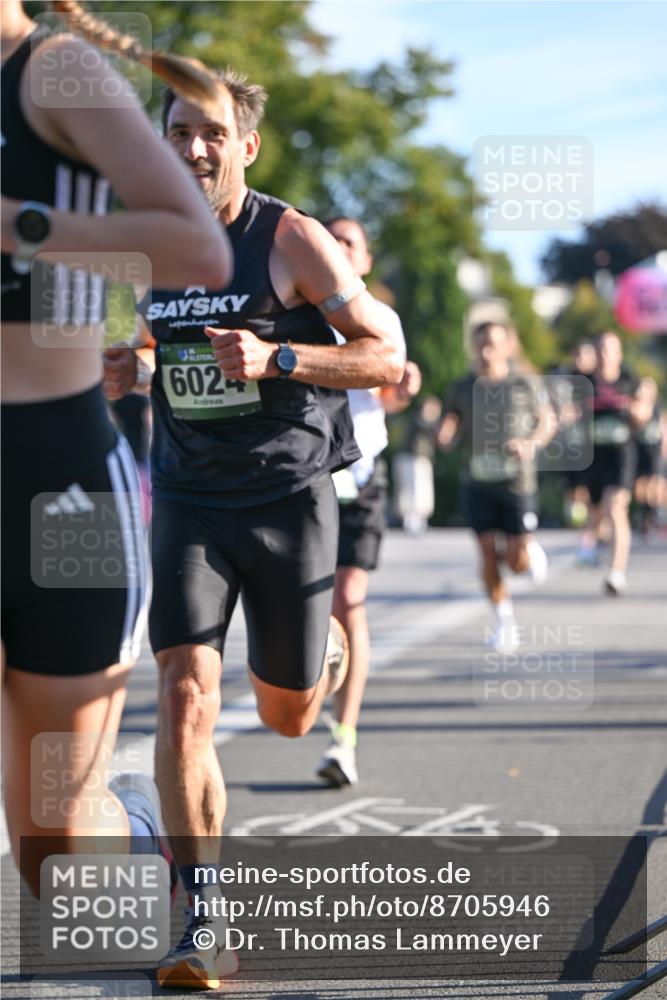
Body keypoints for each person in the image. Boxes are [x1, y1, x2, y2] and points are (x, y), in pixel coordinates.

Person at [102, 69, 403, 989]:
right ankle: (201, 917)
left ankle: (320, 667)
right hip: (190, 500)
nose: (193, 147)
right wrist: (133, 365)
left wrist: (280, 355)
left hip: (289, 499)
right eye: (178, 131)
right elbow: (170, 347)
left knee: (285, 716)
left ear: (245, 146)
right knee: (186, 695)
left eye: (211, 133)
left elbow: (383, 354)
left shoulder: (290, 238)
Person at [1, 0, 232, 900]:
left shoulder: (52, 70)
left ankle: (149, 834)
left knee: (57, 863)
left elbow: (196, 250)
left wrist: (21, 225)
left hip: (58, 485)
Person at [314, 216, 421, 787]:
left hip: (360, 480)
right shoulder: (300, 315)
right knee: (312, 609)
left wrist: (401, 392)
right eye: (329, 240)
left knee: (349, 597)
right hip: (306, 484)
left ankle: (344, 737)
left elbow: (386, 397)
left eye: (349, 242)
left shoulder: (380, 319)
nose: (337, 248)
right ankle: (308, 700)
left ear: (366, 260)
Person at [437, 321, 554, 653]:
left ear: (507, 346)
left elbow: (546, 421)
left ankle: (527, 553)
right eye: (480, 344)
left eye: (493, 343)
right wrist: (445, 432)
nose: (486, 350)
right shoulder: (462, 386)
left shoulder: (524, 383)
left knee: (515, 562)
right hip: (477, 481)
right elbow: (451, 418)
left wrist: (531, 442)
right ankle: (505, 623)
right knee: (487, 552)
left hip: (516, 483)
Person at [578, 332, 650, 594]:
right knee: (597, 515)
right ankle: (591, 547)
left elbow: (643, 414)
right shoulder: (583, 383)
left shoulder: (629, 381)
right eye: (600, 349)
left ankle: (616, 573)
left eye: (610, 349)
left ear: (619, 353)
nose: (604, 355)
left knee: (616, 507)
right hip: (593, 457)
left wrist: (633, 409)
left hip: (621, 455)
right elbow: (569, 415)